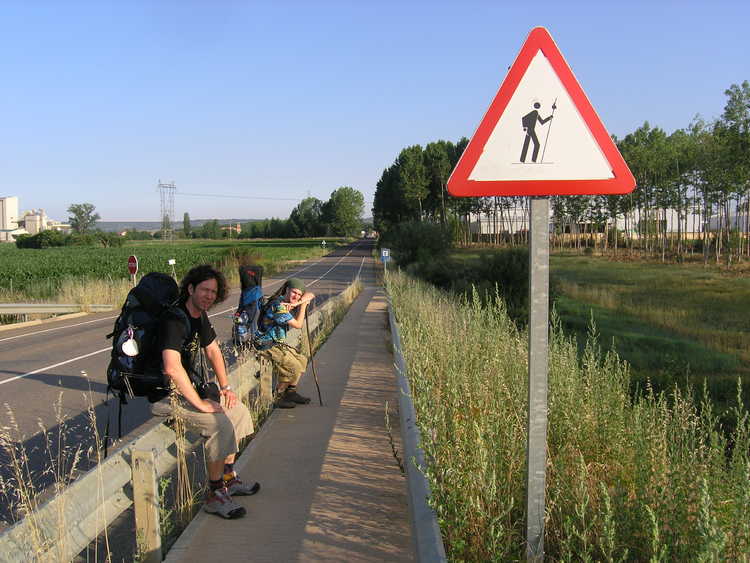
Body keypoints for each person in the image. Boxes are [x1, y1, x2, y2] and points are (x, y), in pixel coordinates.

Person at [152, 264, 259, 519]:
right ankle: (214, 494)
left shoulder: (199, 316)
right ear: (190, 288)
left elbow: (212, 351)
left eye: (214, 291)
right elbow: (171, 367)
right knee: (218, 424)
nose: (209, 296)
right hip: (166, 395)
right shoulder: (174, 320)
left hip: (189, 389)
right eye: (204, 290)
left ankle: (228, 477)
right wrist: (201, 405)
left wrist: (226, 388)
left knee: (239, 411)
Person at [255, 277, 315, 409]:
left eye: (299, 294)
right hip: (267, 344)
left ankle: (290, 393)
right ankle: (278, 396)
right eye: (294, 292)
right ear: (287, 290)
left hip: (277, 343)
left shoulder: (285, 301)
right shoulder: (278, 306)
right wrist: (303, 305)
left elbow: (311, 294)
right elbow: (298, 325)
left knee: (302, 360)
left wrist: (296, 303)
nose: (296, 296)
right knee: (294, 367)